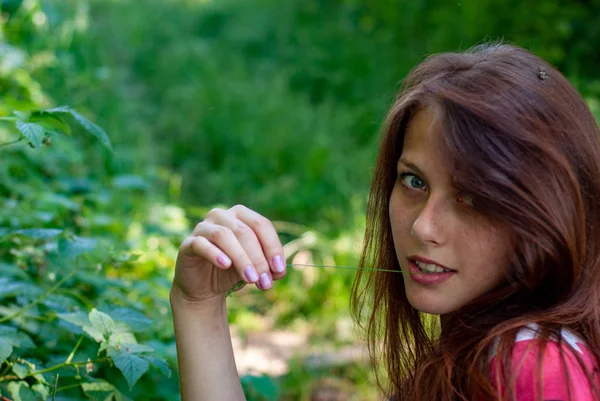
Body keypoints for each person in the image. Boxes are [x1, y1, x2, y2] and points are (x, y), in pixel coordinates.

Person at [170, 42, 600, 400]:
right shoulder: (481, 353)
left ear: (546, 210)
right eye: (414, 180)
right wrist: (199, 306)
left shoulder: (537, 370)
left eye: (472, 198)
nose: (422, 227)